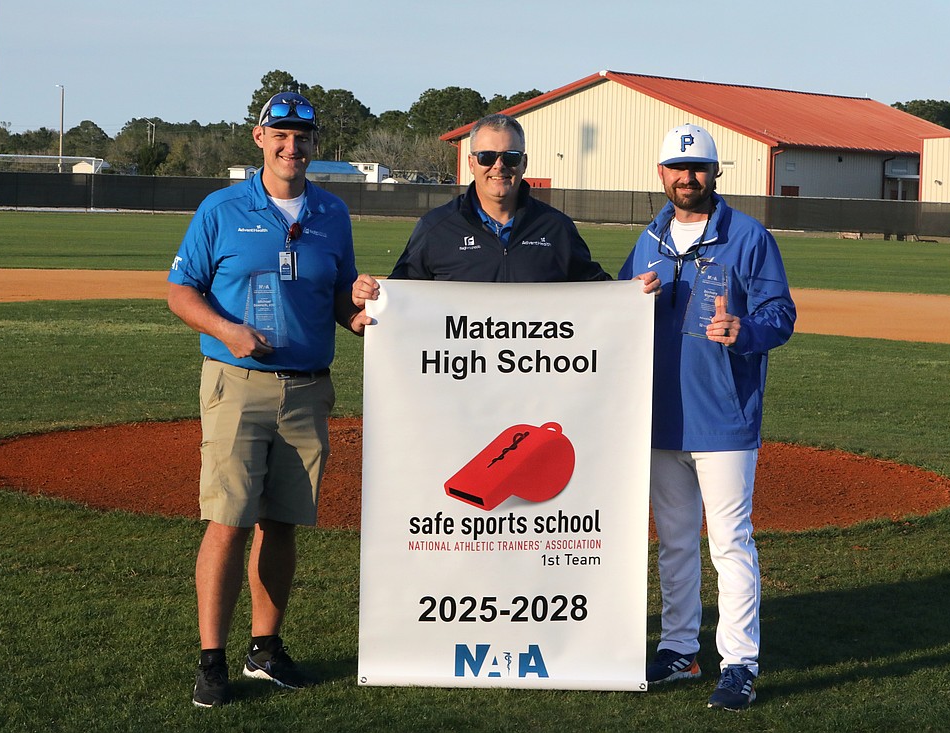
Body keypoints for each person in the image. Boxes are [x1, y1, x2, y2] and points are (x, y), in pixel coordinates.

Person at [167, 91, 376, 708]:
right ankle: (212, 659)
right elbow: (180, 292)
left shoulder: (333, 213)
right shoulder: (222, 208)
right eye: (279, 134)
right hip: (238, 385)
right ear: (259, 138)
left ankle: (265, 648)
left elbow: (339, 299)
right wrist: (228, 330)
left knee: (283, 523)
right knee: (228, 520)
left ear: (316, 144)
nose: (292, 147)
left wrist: (358, 312)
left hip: (308, 389)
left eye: (303, 137)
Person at [619, 123, 796, 710]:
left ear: (714, 173)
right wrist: (629, 299)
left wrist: (744, 330)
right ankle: (678, 650)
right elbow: (615, 310)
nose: (686, 177)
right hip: (660, 417)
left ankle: (740, 661)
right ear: (661, 173)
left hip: (723, 418)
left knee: (729, 544)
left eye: (697, 168)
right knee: (673, 542)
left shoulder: (748, 237)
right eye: (676, 167)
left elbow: (781, 313)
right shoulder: (648, 239)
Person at [386, 112, 657, 289]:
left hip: (534, 373)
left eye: (511, 157)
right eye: (487, 157)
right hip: (462, 374)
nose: (499, 166)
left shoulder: (556, 228)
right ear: (471, 163)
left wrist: (633, 294)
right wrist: (369, 300)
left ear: (524, 163)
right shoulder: (436, 228)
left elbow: (596, 293)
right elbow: (400, 298)